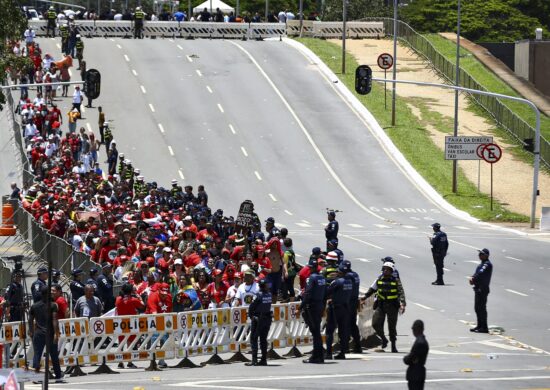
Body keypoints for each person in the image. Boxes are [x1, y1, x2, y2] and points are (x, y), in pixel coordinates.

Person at [362, 261, 406, 353]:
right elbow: (372, 290)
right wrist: (364, 297)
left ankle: (393, 346)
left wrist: (402, 303)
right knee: (375, 323)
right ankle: (384, 339)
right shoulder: (379, 279)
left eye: (388, 269)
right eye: (384, 269)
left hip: (393, 306)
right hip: (381, 305)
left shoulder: (396, 280)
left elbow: (401, 292)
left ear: (391, 271)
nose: (385, 271)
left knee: (392, 327)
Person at [28, 286, 64, 382]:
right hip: (50, 333)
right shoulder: (53, 305)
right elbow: (54, 320)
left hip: (38, 333)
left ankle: (35, 376)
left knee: (37, 355)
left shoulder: (34, 306)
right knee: (54, 355)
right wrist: (57, 333)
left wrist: (31, 331)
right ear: (48, 294)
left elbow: (30, 320)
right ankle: (58, 375)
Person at [325, 263, 353, 360]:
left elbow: (327, 292)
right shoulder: (350, 281)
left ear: (339, 272)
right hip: (345, 308)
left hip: (335, 308)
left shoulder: (337, 282)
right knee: (343, 331)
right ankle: (342, 353)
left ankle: (328, 353)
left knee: (329, 331)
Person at [302, 257, 326, 364]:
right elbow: (325, 293)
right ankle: (319, 355)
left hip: (312, 306)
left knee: (315, 332)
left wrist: (301, 306)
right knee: (317, 332)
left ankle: (316, 356)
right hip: (320, 305)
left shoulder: (312, 278)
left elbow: (308, 293)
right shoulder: (322, 278)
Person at [115, 283, 144, 368]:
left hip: (121, 324)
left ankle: (120, 362)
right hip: (131, 324)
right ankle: (129, 362)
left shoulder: (118, 299)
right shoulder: (133, 300)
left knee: (121, 343)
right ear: (131, 291)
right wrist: (139, 298)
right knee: (130, 343)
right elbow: (142, 306)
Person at [245, 279, 272, 366]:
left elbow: (251, 307)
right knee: (263, 339)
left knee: (254, 338)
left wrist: (251, 316)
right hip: (267, 319)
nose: (268, 286)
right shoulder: (269, 295)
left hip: (258, 319)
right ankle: (264, 359)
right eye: (267, 285)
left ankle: (254, 360)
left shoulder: (258, 295)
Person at [469, 248, 493, 333]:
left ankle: (484, 327)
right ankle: (479, 325)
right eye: (479, 254)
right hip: (478, 288)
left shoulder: (487, 264)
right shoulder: (482, 264)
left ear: (486, 255)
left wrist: (473, 279)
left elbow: (481, 274)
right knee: (477, 308)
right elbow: (476, 273)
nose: (479, 255)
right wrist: (472, 278)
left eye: (481, 254)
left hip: (483, 289)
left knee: (481, 308)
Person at [341, 260, 362, 353]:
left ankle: (346, 347)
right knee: (352, 324)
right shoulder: (355, 274)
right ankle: (357, 345)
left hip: (348, 302)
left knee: (346, 324)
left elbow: (346, 288)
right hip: (354, 301)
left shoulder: (348, 276)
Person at [404, 319, 429, 390]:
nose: (413, 331)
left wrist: (406, 358)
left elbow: (409, 359)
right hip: (417, 374)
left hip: (416, 375)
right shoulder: (421, 341)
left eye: (414, 329)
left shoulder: (420, 343)